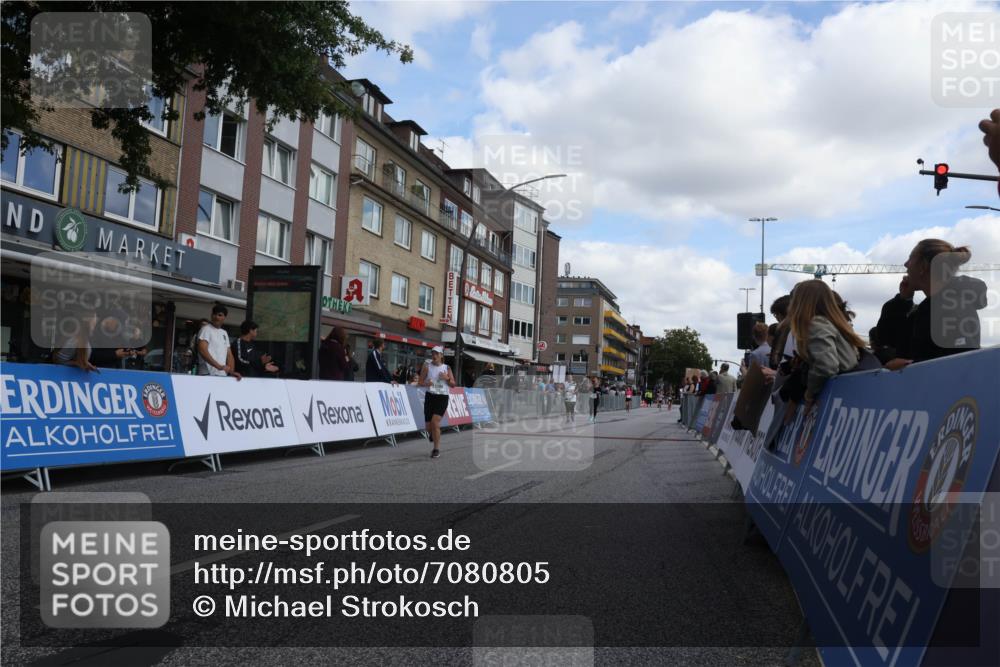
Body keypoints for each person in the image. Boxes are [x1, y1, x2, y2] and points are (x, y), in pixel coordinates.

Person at [877, 240, 988, 369]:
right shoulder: (931, 307)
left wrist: (909, 366)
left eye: (911, 258)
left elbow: (960, 362)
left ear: (923, 266)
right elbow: (888, 338)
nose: (906, 264)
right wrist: (903, 300)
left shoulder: (952, 308)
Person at [786, 280, 868, 413]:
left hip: (840, 393)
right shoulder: (834, 323)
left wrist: (809, 393)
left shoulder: (817, 324)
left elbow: (826, 366)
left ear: (801, 302)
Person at [418, 346, 455, 458]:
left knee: (435, 422)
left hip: (442, 397)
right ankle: (432, 434)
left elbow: (453, 384)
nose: (434, 356)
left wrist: (447, 378)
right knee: (428, 426)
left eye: (437, 354)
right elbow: (420, 382)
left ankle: (436, 449)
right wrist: (426, 384)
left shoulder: (446, 368)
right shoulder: (427, 367)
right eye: (433, 353)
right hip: (430, 396)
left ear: (441, 356)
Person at [197, 305, 240, 379]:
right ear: (211, 315)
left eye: (220, 315)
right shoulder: (206, 329)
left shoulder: (224, 333)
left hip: (221, 375)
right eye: (214, 314)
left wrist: (231, 372)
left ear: (224, 318)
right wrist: (219, 366)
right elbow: (202, 350)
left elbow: (229, 355)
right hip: (206, 374)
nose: (216, 317)